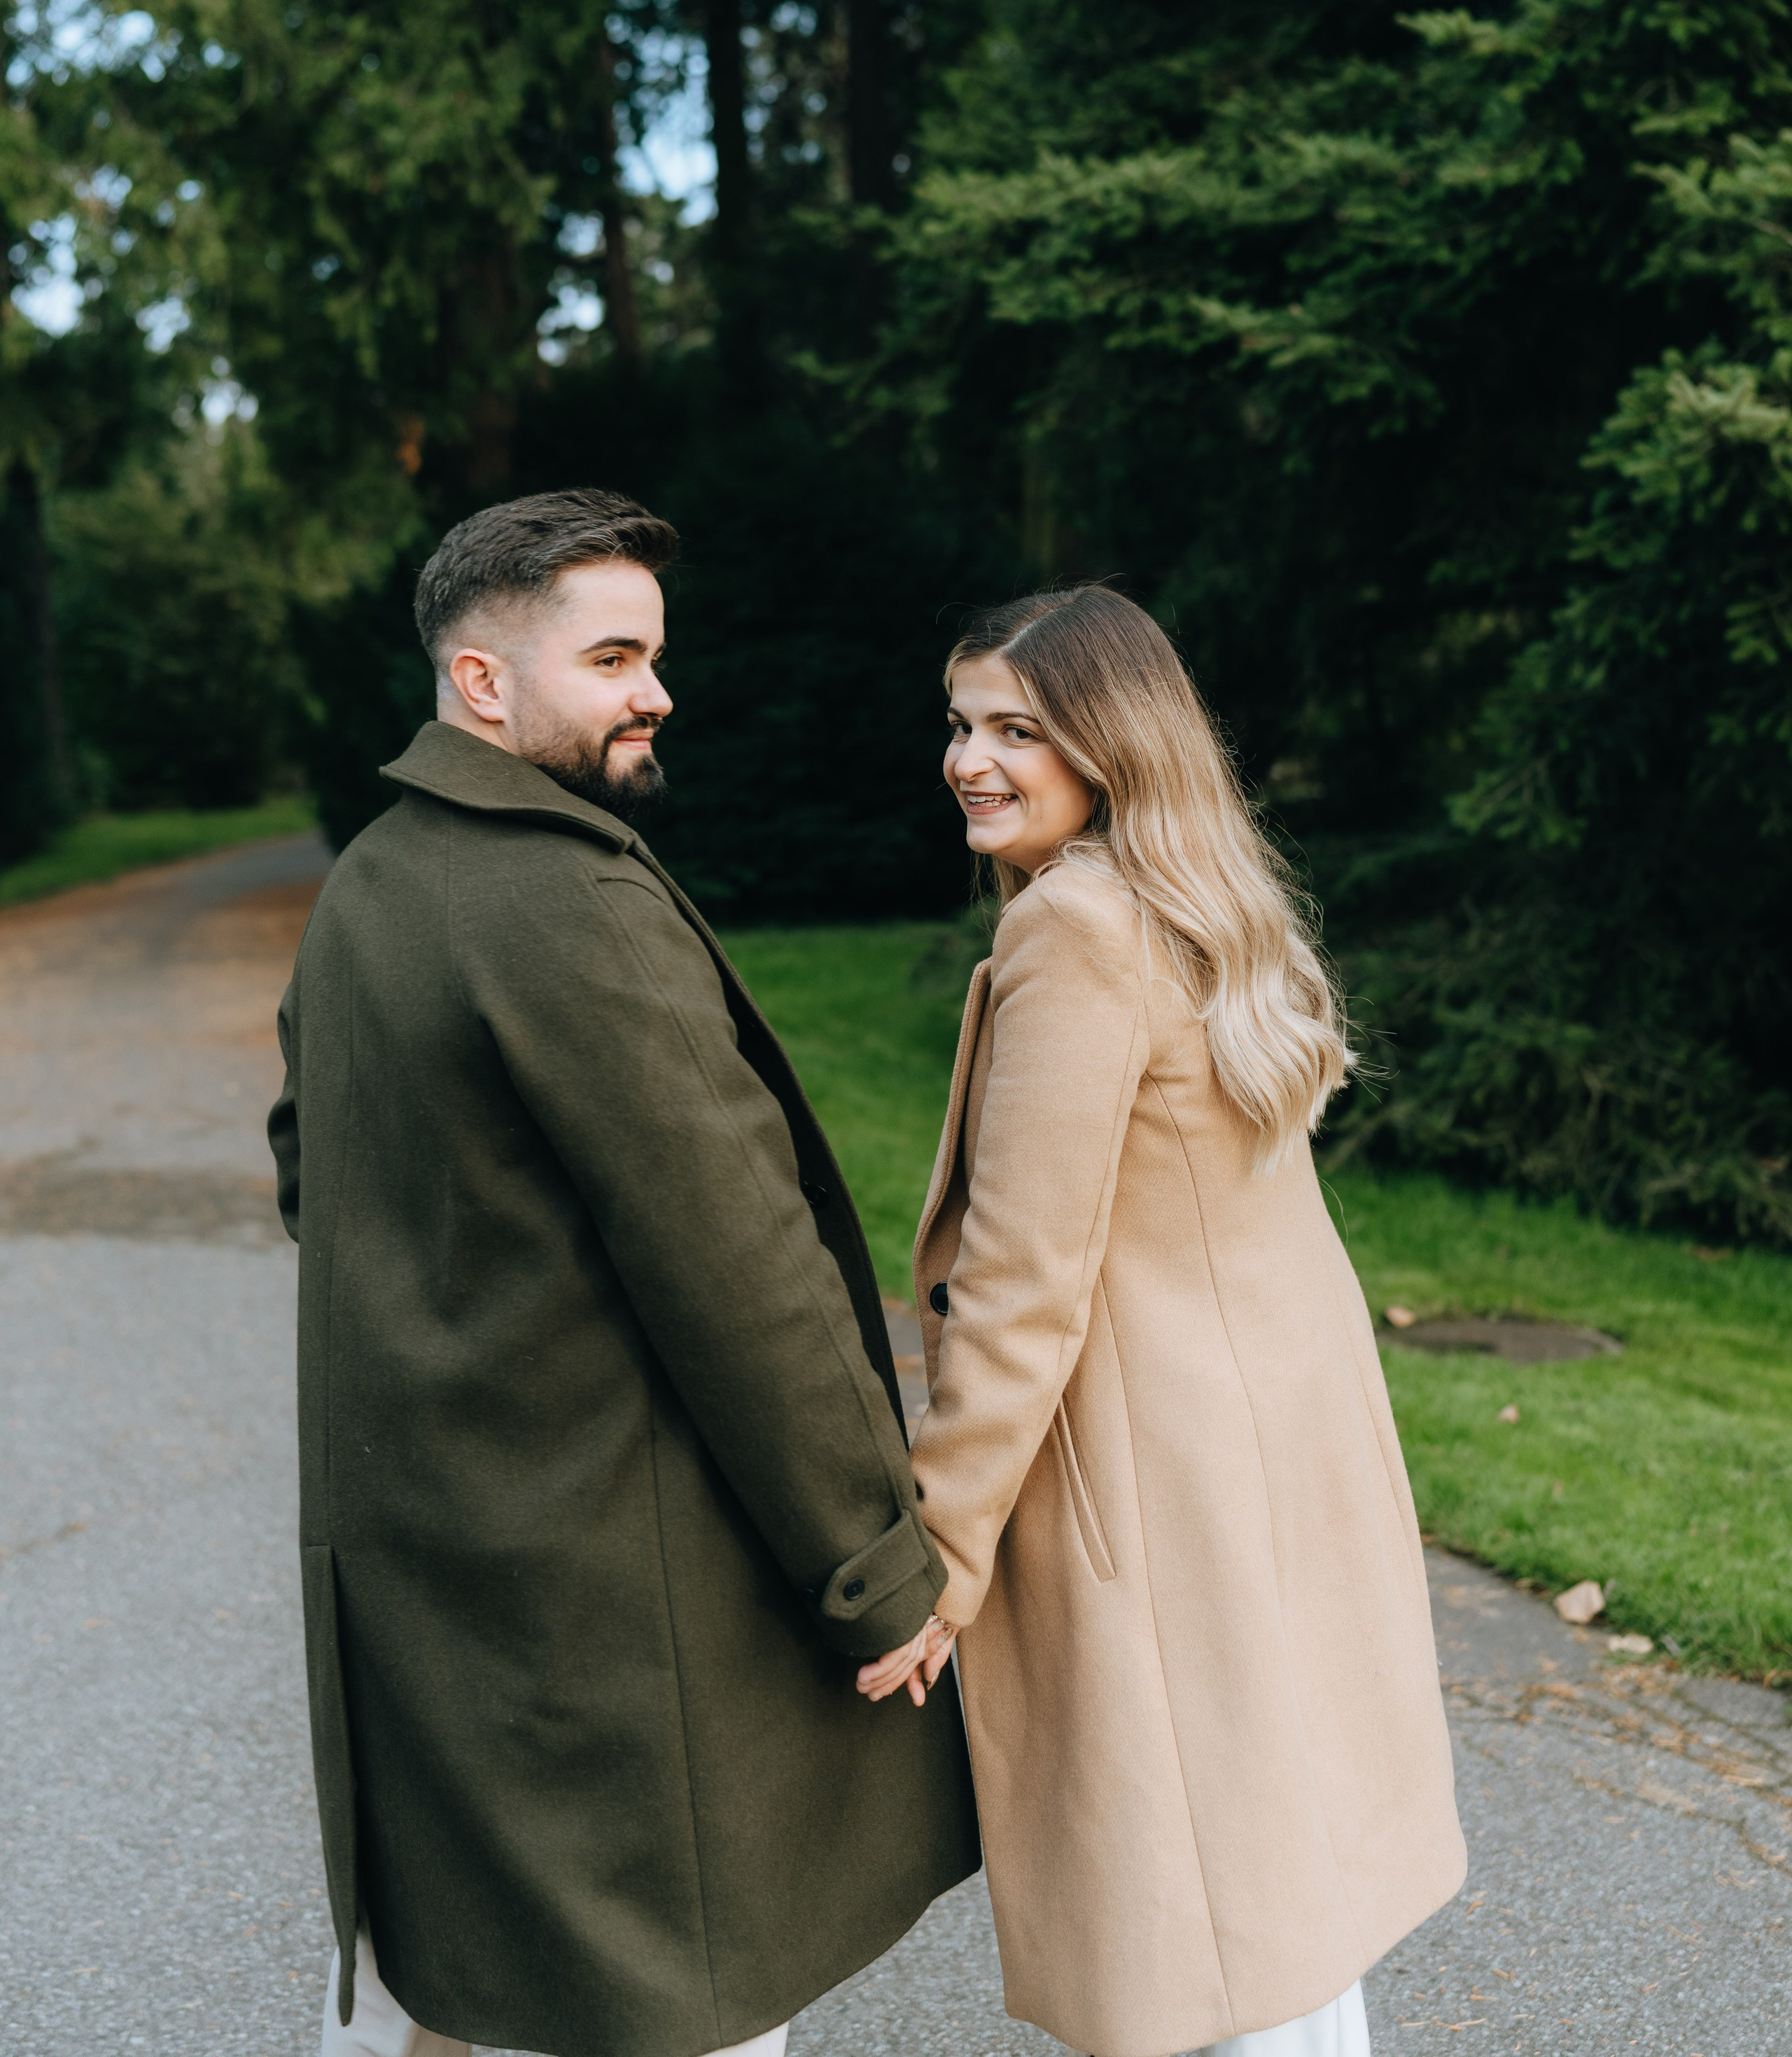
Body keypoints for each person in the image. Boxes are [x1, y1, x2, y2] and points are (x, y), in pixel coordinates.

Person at [270, 487, 979, 2057]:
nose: (656, 689)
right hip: (610, 1602)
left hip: (447, 1586)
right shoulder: (567, 901)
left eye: (652, 654)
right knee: (674, 2001)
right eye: (610, 657)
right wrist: (875, 1570)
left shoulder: (369, 887)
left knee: (475, 1986)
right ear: (482, 684)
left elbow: (310, 1168)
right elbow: (744, 1276)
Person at [859, 585, 1465, 2057]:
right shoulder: (1192, 907)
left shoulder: (1075, 927)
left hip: (1157, 1477)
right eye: (958, 724)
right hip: (1264, 1453)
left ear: (1111, 745)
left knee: (1200, 1911)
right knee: (1274, 1885)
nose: (968, 759)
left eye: (1017, 728)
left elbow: (1019, 1278)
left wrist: (940, 1550)